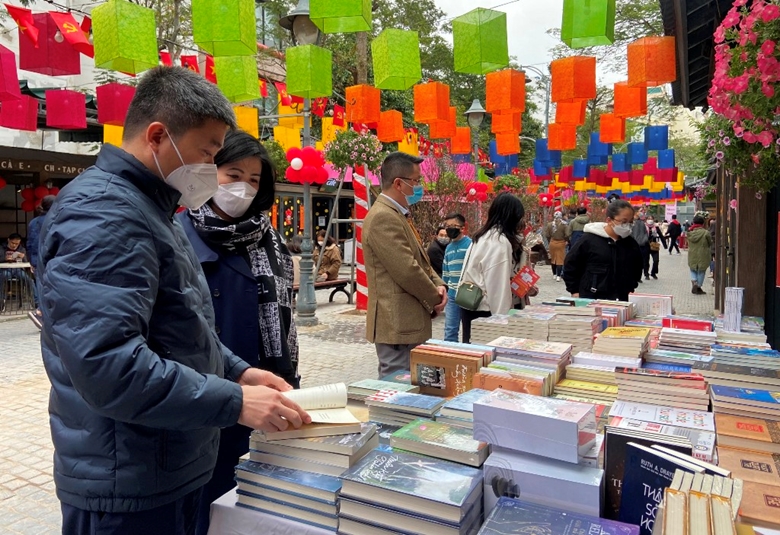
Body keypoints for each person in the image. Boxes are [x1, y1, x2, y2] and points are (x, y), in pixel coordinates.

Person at [38, 67, 310, 535]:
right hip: (127, 479)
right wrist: (235, 401)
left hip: (166, 462)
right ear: (158, 136)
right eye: (208, 152)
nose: (212, 167)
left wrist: (236, 370)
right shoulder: (103, 213)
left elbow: (183, 324)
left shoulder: (154, 209)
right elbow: (108, 366)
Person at [175, 130, 302, 535]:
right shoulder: (178, 234)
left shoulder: (270, 240)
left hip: (267, 390)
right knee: (208, 507)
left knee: (258, 504)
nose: (243, 188)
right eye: (233, 175)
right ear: (209, 172)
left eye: (253, 179)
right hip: (206, 397)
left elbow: (285, 322)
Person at [363, 152, 446, 377]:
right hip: (397, 324)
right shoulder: (383, 217)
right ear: (398, 183)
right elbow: (407, 270)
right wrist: (435, 298)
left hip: (406, 323)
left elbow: (421, 260)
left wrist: (439, 284)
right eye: (416, 181)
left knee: (410, 383)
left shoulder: (398, 214)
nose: (419, 187)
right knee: (397, 384)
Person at [458, 193, 528, 344]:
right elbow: (497, 287)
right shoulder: (500, 242)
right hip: (486, 310)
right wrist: (503, 322)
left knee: (472, 349)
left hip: (471, 304)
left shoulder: (481, 236)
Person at [563, 199, 643, 302]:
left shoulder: (630, 243)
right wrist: (574, 290)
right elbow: (570, 264)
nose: (627, 225)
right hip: (591, 298)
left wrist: (630, 287)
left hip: (621, 299)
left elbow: (637, 267)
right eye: (623, 222)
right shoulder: (589, 240)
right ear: (609, 220)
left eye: (630, 222)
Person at [26, 195, 56, 328]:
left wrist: (31, 261)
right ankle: (40, 312)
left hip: (37, 259)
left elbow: (30, 243)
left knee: (41, 286)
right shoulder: (55, 219)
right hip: (53, 257)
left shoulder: (33, 222)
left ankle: (42, 313)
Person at [441, 213, 471, 342]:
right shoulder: (448, 248)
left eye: (452, 226)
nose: (449, 229)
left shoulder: (471, 245)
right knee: (450, 330)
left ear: (462, 228)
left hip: (468, 294)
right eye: (447, 226)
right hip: (452, 295)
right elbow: (446, 271)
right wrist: (444, 290)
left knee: (469, 330)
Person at [1, 233, 35, 313]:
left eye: (17, 244)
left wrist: (23, 257)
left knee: (29, 280)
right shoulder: (2, 248)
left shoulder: (21, 249)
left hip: (17, 270)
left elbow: (26, 262)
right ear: (8, 240)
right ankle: (1, 300)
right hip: (5, 269)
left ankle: (35, 301)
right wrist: (5, 258)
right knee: (2, 278)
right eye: (12, 243)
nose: (14, 245)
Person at [687, 215, 712, 295]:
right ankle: (698, 286)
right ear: (703, 223)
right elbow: (710, 243)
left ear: (693, 223)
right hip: (703, 254)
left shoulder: (690, 233)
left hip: (692, 254)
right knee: (701, 271)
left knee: (693, 269)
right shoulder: (706, 233)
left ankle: (694, 281)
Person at [543, 211, 570, 281]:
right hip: (561, 243)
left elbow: (547, 235)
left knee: (553, 259)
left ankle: (554, 274)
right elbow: (567, 234)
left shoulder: (549, 224)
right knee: (560, 260)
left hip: (552, 242)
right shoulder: (564, 225)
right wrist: (566, 240)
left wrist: (550, 240)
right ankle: (558, 276)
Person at [632, 212, 650, 282]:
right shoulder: (644, 224)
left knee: (637, 262)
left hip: (636, 245)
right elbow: (646, 234)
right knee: (645, 261)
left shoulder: (633, 224)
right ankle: (646, 274)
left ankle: (638, 276)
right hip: (644, 245)